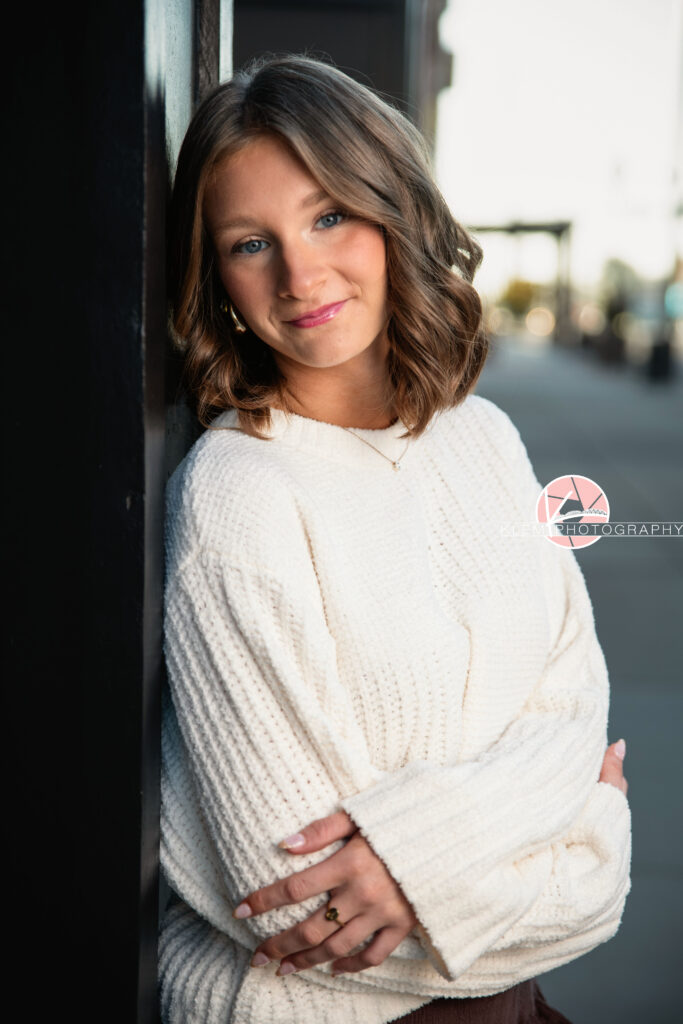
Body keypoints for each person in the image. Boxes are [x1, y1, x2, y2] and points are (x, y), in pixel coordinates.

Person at [159, 53, 632, 1024]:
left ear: (392, 212)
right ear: (216, 278)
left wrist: (411, 862)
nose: (300, 273)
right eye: (251, 243)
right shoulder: (235, 491)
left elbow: (574, 708)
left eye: (329, 215)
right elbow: (297, 900)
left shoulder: (485, 441)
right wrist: (576, 844)